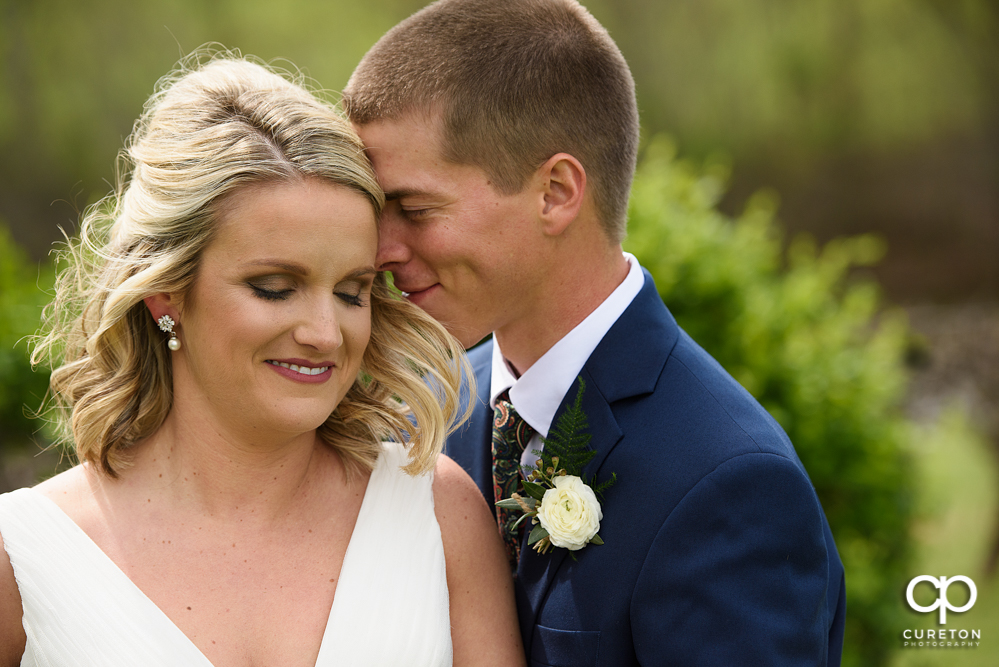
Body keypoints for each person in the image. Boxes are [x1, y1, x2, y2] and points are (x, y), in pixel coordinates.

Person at [343, 0, 847, 664]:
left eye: (412, 208)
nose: (379, 249)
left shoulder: (729, 485)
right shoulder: (423, 416)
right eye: (376, 211)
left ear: (554, 191)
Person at [0, 54, 524, 667]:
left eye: (352, 291)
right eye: (275, 287)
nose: (326, 334)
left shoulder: (436, 512)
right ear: (165, 291)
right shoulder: (22, 558)